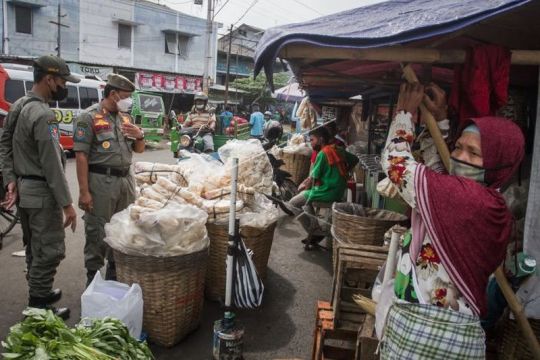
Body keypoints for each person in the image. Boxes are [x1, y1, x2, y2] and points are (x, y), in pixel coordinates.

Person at [378, 83, 525, 359]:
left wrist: (405, 114)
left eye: (474, 153)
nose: (460, 157)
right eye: (458, 147)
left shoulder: (472, 201)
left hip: (434, 333)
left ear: (498, 163)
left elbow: (396, 164)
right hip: (427, 326)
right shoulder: (486, 201)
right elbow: (439, 172)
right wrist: (441, 121)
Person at [0, 55, 79, 319]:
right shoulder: (44, 114)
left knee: (35, 247)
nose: (64, 86)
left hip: (25, 190)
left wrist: (10, 178)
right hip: (42, 193)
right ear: (49, 79)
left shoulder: (19, 105)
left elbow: (4, 144)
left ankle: (40, 291)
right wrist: (68, 204)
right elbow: (52, 166)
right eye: (63, 81)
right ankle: (39, 308)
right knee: (50, 250)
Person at [73, 73, 145, 286]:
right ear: (113, 94)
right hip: (101, 182)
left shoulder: (125, 118)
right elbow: (81, 156)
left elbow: (139, 150)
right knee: (97, 231)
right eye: (126, 96)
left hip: (125, 182)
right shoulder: (88, 117)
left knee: (122, 229)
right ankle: (93, 279)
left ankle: (114, 275)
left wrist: (139, 135)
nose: (129, 101)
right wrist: (84, 192)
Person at [288, 126, 358, 247]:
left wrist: (302, 188)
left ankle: (314, 231)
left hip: (327, 192)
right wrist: (345, 171)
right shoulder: (338, 149)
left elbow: (312, 178)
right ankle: (315, 226)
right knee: (305, 197)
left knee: (293, 203)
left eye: (312, 140)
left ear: (320, 139)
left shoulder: (322, 153)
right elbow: (355, 159)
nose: (311, 143)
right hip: (338, 191)